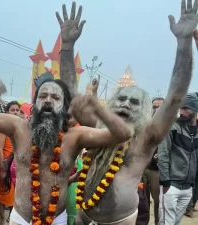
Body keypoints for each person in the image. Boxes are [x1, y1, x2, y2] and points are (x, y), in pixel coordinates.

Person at [0, 4, 133, 224]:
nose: (48, 101)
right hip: (22, 218)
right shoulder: (17, 127)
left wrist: (97, 106)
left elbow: (123, 134)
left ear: (64, 106)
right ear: (34, 102)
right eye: (43, 96)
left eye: (55, 98)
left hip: (58, 218)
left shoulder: (75, 136)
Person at [70, 1, 197, 224]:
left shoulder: (148, 136)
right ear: (111, 103)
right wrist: (66, 46)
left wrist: (184, 42)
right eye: (121, 98)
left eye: (134, 102)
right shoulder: (99, 127)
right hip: (83, 216)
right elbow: (71, 95)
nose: (126, 104)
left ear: (145, 111)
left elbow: (176, 94)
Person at [158, 92, 198, 224]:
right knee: (166, 222)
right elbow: (163, 154)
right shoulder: (172, 127)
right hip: (171, 186)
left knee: (176, 222)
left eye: (185, 108)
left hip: (188, 188)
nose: (182, 112)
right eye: (181, 108)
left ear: (195, 109)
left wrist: (192, 186)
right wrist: (165, 182)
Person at [136, 97, 164, 225]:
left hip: (158, 172)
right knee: (142, 203)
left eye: (159, 107)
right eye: (154, 107)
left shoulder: (169, 126)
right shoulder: (143, 126)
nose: (156, 109)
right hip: (143, 170)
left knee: (159, 203)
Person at [0, 101, 21, 225]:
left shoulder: (20, 126)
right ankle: (2, 218)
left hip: (16, 166)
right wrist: (3, 168)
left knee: (15, 195)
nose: (15, 112)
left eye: (17, 110)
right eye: (12, 110)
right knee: (3, 193)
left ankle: (11, 217)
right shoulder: (2, 127)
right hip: (4, 165)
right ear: (7, 112)